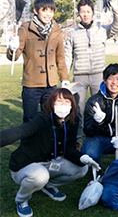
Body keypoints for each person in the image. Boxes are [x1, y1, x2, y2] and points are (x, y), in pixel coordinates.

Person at [0, 88, 100, 217]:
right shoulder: (42, 118)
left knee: (81, 169)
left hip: (50, 163)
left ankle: (46, 186)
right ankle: (22, 200)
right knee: (40, 175)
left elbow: (69, 150)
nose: (63, 106)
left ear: (72, 105)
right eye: (59, 101)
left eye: (67, 102)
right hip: (25, 166)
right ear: (52, 103)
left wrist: (83, 158)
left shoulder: (72, 122)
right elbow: (21, 131)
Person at [64, 0, 118, 148]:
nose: (85, 14)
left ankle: (104, 134)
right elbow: (67, 56)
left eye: (88, 11)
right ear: (79, 14)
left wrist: (115, 8)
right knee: (77, 110)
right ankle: (77, 138)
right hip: (80, 76)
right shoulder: (73, 33)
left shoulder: (102, 31)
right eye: (82, 12)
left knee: (102, 107)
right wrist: (65, 78)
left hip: (99, 75)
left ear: (92, 13)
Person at [6, 0, 69, 123]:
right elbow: (15, 56)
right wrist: (13, 48)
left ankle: (48, 143)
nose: (48, 14)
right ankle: (28, 143)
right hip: (31, 84)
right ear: (36, 10)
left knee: (50, 119)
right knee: (30, 120)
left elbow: (60, 57)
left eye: (51, 10)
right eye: (44, 10)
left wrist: (64, 78)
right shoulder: (25, 29)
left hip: (50, 84)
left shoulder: (56, 30)